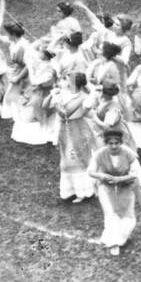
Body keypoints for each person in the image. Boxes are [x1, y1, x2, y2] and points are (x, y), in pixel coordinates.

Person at [88, 127, 141, 256]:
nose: (114, 146)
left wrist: (119, 179)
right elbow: (90, 171)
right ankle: (113, 242)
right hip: (106, 188)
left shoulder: (128, 153)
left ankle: (122, 236)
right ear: (106, 143)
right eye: (110, 143)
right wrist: (102, 176)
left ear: (121, 142)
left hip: (126, 187)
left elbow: (136, 173)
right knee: (111, 214)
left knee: (127, 215)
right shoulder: (100, 154)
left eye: (116, 143)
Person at [50, 72, 98, 203]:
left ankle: (83, 191)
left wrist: (55, 100)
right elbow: (48, 108)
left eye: (67, 80)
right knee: (66, 160)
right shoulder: (65, 94)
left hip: (78, 130)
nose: (64, 83)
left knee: (76, 159)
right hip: (66, 130)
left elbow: (65, 114)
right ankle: (71, 190)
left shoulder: (82, 97)